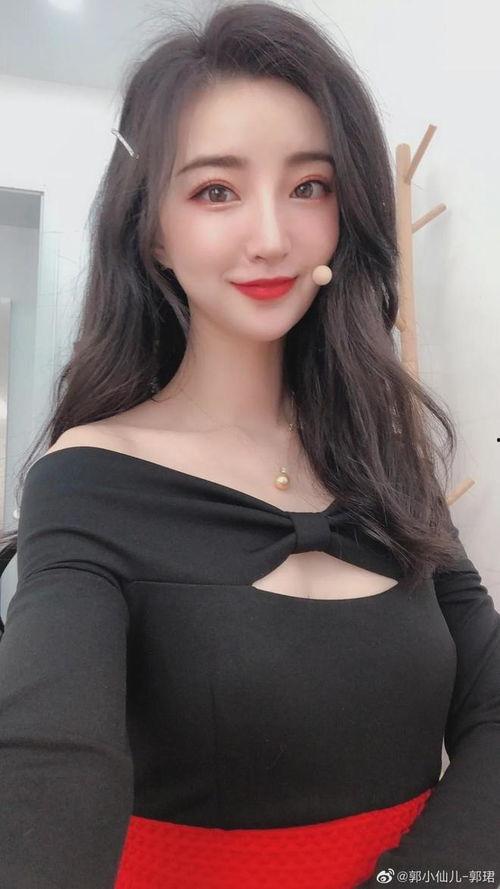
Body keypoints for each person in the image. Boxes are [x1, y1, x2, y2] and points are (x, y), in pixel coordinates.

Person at [0, 2, 499, 887]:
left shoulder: (387, 460)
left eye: (309, 186)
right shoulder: (86, 479)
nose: (271, 236)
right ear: (154, 230)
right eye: (215, 191)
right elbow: (49, 761)